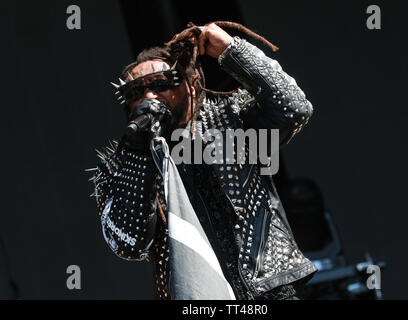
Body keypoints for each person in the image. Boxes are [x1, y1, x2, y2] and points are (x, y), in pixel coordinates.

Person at [88, 21, 317, 300]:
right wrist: (138, 154)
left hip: (268, 291)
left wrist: (232, 50)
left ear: (189, 85)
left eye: (161, 85)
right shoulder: (121, 165)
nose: (148, 96)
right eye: (135, 92)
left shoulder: (232, 119)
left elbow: (293, 108)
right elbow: (129, 243)